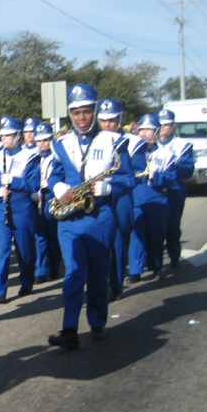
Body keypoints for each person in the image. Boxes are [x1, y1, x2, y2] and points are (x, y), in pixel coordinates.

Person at [46, 84, 133, 350]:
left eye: (86, 112)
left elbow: (129, 178)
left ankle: (97, 322)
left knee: (98, 272)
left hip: (101, 216)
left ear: (95, 111)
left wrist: (110, 188)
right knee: (73, 273)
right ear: (70, 114)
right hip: (71, 218)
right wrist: (58, 187)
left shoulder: (114, 140)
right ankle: (69, 329)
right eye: (76, 113)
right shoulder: (60, 142)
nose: (82, 118)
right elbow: (53, 174)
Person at [96, 99, 147, 300]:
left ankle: (115, 284)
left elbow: (138, 173)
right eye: (103, 120)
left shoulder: (133, 142)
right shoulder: (95, 140)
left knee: (118, 241)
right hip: (97, 195)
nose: (107, 124)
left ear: (120, 118)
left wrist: (113, 183)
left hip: (122, 196)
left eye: (112, 119)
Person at [0, 116, 40, 303]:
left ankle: (27, 281)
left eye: (7, 135)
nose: (3, 138)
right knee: (2, 250)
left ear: (18, 136)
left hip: (22, 207)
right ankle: (0, 290)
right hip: (2, 208)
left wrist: (14, 182)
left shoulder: (30, 157)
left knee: (25, 250)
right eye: (2, 134)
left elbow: (34, 184)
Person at [127, 114, 176, 282]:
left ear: (156, 132)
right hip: (137, 197)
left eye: (148, 130)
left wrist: (156, 176)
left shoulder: (165, 153)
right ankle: (135, 270)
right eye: (141, 129)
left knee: (156, 235)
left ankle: (156, 266)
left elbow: (171, 178)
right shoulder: (133, 152)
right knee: (136, 234)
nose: (143, 133)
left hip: (157, 198)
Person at [156, 108, 194, 268]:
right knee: (154, 226)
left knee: (172, 225)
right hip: (154, 189)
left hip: (174, 189)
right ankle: (154, 261)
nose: (163, 127)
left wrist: (171, 169)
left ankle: (174, 255)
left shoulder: (182, 145)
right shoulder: (149, 143)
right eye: (161, 124)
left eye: (167, 124)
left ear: (173, 125)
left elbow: (188, 170)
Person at [33, 122, 61, 284]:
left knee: (53, 236)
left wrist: (48, 185)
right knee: (40, 237)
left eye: (45, 139)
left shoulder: (56, 156)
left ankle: (55, 265)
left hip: (52, 198)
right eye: (39, 140)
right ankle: (41, 270)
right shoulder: (33, 156)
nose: (42, 143)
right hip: (36, 199)